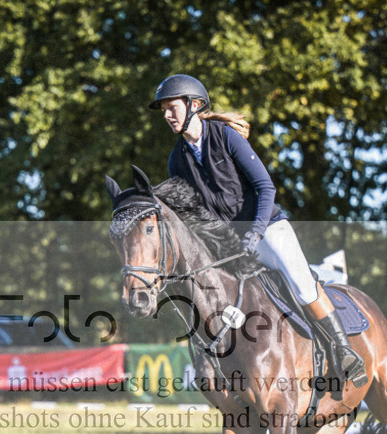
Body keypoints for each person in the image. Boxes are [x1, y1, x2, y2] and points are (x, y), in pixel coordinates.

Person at [149, 74, 367, 388]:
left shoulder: (225, 137)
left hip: (266, 228)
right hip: (228, 242)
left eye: (172, 108)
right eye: (164, 111)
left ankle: (344, 350)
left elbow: (266, 188)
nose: (168, 116)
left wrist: (255, 233)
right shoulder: (177, 160)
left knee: (301, 285)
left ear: (194, 104)